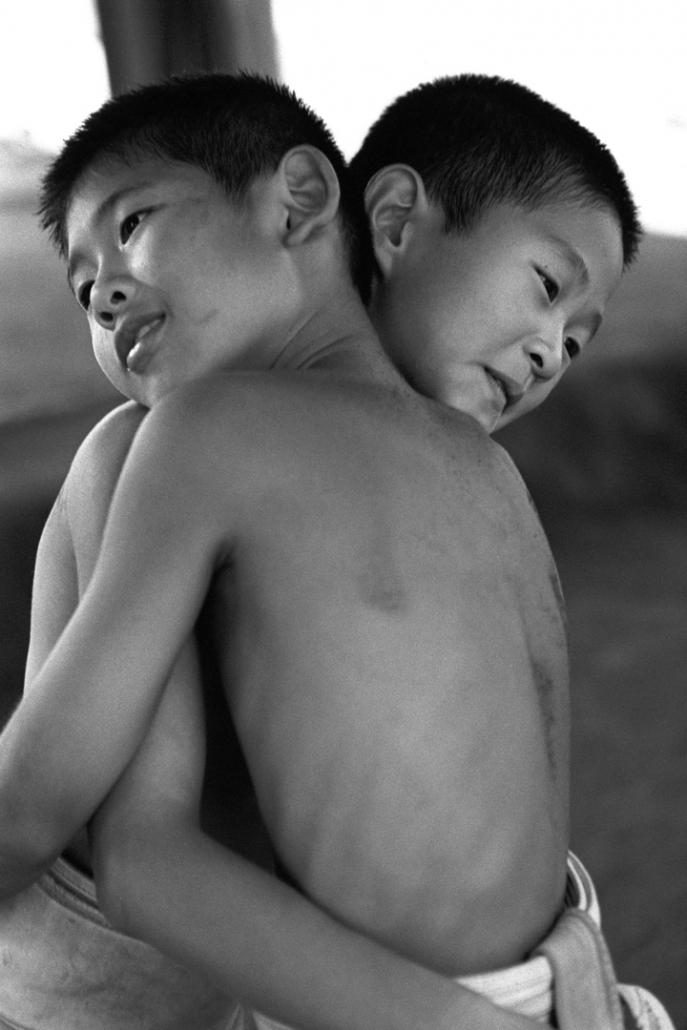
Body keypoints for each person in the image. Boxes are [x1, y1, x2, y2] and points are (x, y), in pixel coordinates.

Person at [0, 71, 670, 1030]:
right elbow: (125, 848)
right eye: (546, 285)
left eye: (132, 224)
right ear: (387, 219)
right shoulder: (183, 437)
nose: (549, 349)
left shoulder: (477, 466)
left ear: (303, 200)